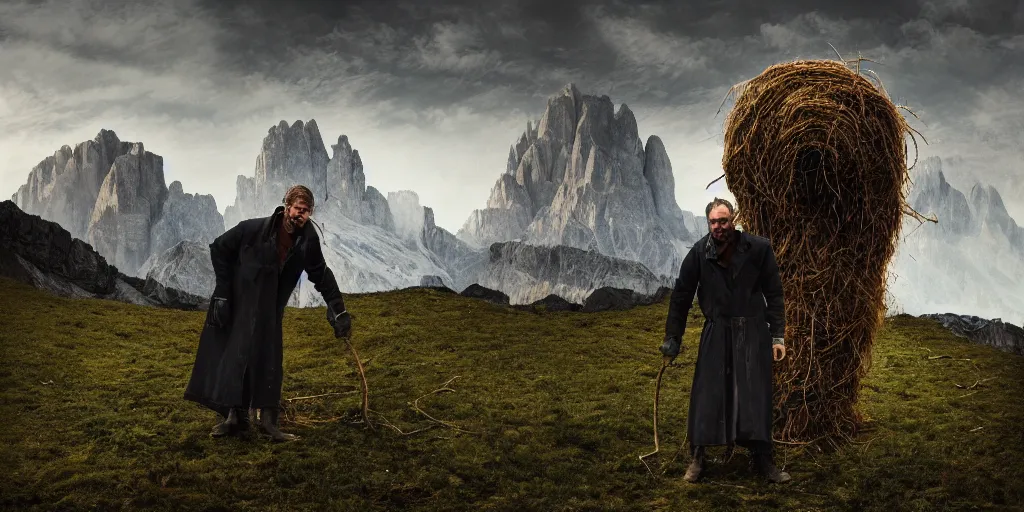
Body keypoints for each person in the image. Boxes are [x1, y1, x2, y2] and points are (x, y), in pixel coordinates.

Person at [184, 184, 352, 442]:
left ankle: (269, 423)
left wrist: (337, 309)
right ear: (287, 207)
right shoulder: (253, 229)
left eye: (306, 211)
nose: (301, 215)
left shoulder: (307, 240)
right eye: (298, 209)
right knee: (237, 357)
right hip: (242, 305)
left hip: (271, 310)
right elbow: (219, 248)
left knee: (270, 359)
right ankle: (235, 418)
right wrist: (222, 292)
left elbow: (320, 273)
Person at [660, 197, 791, 483]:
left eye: (724, 220)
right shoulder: (698, 253)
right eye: (714, 222)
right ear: (708, 223)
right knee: (708, 395)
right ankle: (697, 457)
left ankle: (762, 460)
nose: (719, 227)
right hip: (716, 332)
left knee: (754, 396)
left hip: (753, 333)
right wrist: (673, 337)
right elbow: (681, 296)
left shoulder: (758, 248)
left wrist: (777, 335)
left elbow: (774, 293)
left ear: (733, 219)